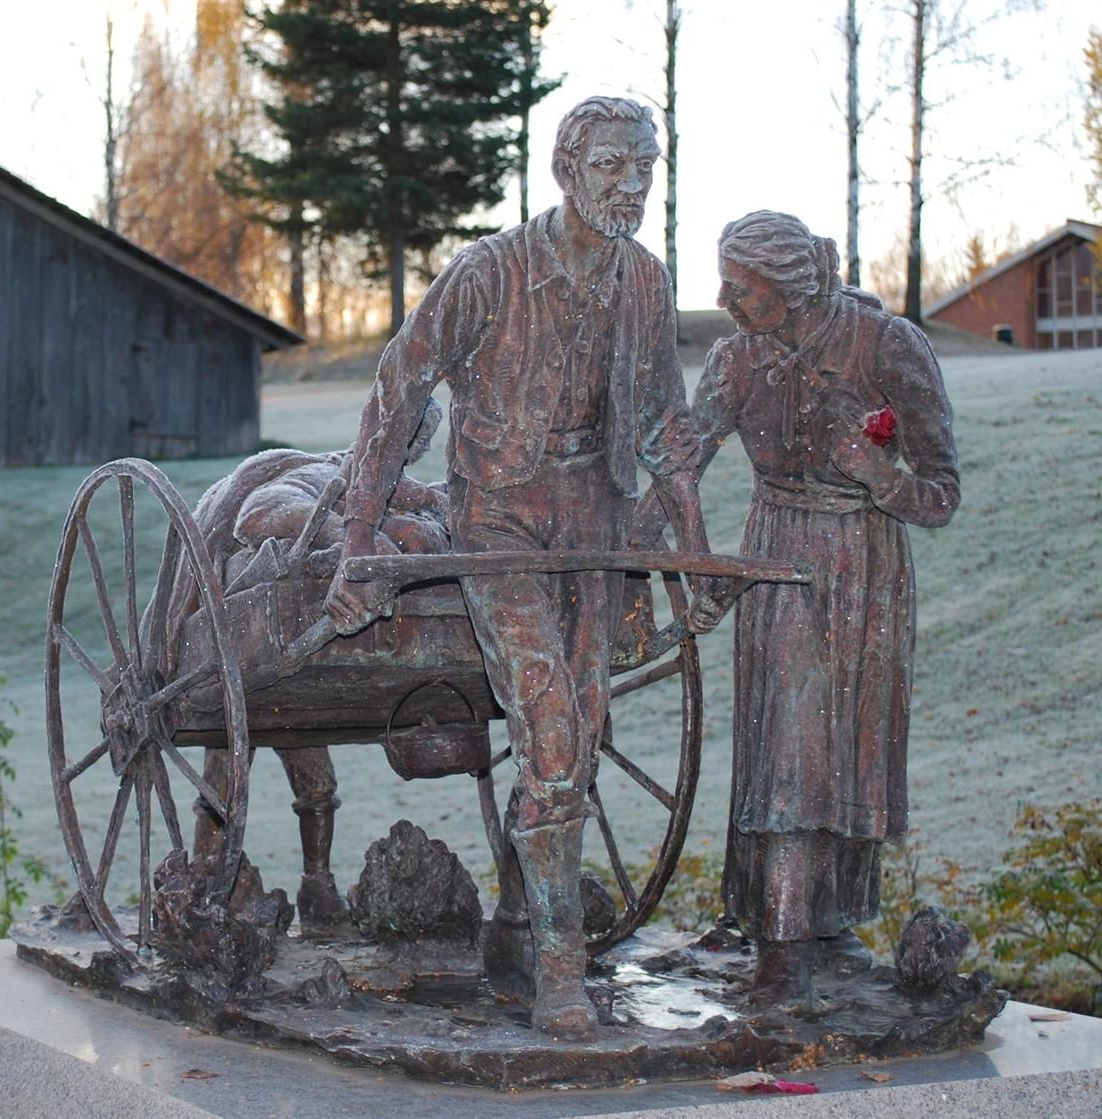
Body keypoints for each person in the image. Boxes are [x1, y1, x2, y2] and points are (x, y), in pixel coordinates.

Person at [325, 96, 721, 1039]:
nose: (632, 185)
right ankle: (558, 970)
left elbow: (667, 425)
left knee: (580, 731)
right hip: (496, 523)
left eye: (646, 167)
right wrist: (359, 533)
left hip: (597, 528)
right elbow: (403, 377)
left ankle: (518, 922)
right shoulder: (490, 273)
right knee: (549, 722)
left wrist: (693, 556)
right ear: (566, 170)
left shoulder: (646, 283)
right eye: (612, 165)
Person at [691, 211, 960, 1009]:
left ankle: (828, 921)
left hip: (865, 569)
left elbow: (941, 494)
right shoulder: (734, 357)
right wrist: (690, 556)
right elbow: (683, 458)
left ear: (789, 285)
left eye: (742, 288)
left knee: (848, 751)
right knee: (789, 750)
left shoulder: (887, 346)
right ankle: (781, 945)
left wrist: (878, 474)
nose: (725, 300)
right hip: (776, 564)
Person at [185, 402, 447, 933]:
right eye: (395, 438)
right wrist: (341, 535)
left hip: (329, 665)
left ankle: (317, 889)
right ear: (368, 439)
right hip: (251, 650)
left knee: (317, 785)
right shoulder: (319, 474)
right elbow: (257, 515)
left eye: (413, 444)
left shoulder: (415, 498)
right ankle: (203, 877)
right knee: (228, 766)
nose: (403, 452)